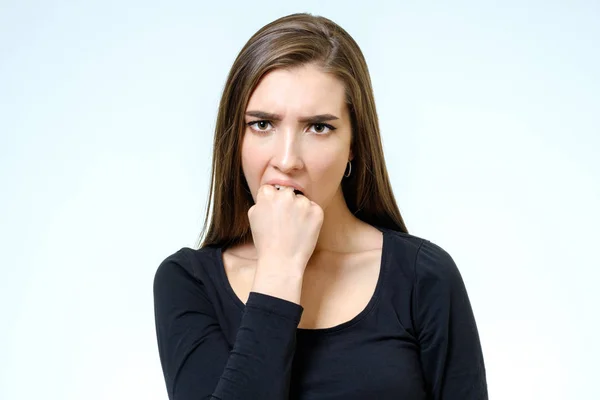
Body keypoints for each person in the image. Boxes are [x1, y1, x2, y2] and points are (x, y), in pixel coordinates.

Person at [153, 12, 487, 400]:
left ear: (354, 145)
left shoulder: (422, 278)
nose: (287, 158)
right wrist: (280, 270)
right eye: (262, 124)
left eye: (318, 127)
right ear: (235, 140)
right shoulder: (189, 283)